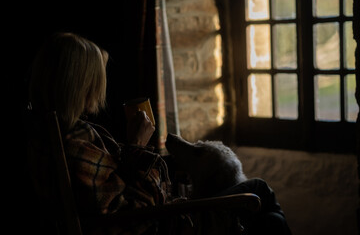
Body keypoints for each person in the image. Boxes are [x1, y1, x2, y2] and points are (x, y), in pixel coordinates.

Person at [27, 32, 291, 235]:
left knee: (269, 219)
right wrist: (138, 147)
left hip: (164, 215)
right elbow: (131, 215)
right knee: (259, 195)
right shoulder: (74, 146)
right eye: (95, 81)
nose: (100, 90)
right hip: (167, 225)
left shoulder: (49, 133)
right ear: (79, 87)